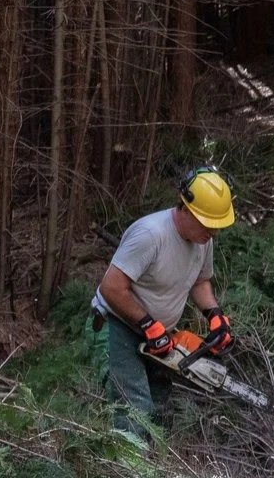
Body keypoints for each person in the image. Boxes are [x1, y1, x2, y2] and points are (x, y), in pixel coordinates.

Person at [93, 167, 239, 443]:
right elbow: (111, 287)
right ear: (186, 207)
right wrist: (148, 325)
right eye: (208, 224)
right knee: (135, 410)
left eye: (216, 226)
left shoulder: (202, 240)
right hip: (117, 325)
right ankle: (127, 476)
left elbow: (200, 281)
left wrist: (214, 315)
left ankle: (155, 475)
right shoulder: (150, 234)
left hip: (158, 335)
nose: (213, 232)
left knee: (160, 410)